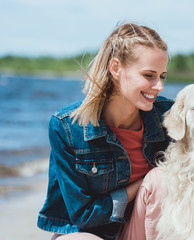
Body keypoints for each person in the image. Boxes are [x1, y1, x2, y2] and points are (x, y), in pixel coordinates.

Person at [37, 22, 173, 240]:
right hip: (87, 232)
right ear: (116, 68)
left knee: (162, 180)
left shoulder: (170, 114)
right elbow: (83, 214)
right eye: (149, 75)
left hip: (143, 230)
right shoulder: (67, 127)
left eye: (162, 76)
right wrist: (144, 184)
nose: (159, 86)